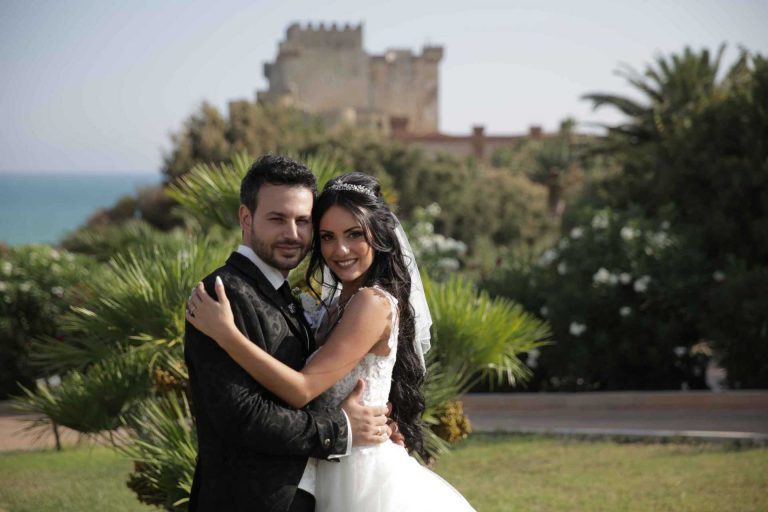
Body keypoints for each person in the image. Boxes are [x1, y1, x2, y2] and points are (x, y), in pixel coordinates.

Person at [187, 171, 476, 511]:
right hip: (327, 468)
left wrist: (227, 335)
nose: (340, 250)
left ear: (379, 236)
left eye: (354, 234)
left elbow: (303, 388)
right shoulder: (334, 304)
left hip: (363, 477)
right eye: (327, 236)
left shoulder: (371, 303)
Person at [183, 156, 393, 512]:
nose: (293, 234)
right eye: (277, 219)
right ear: (246, 219)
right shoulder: (223, 295)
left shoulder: (290, 295)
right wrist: (341, 429)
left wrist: (384, 418)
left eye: (303, 221)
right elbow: (244, 417)